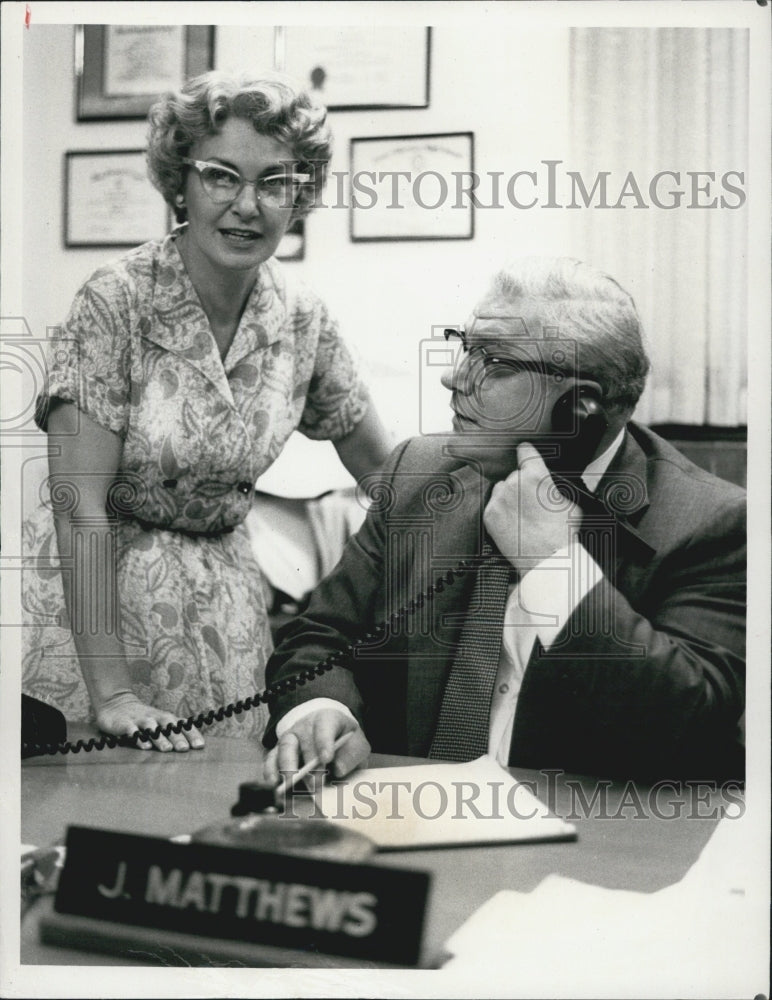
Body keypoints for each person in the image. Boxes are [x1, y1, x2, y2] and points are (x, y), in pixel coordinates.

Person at [262, 257, 746, 783]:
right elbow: (320, 635)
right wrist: (322, 709)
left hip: (584, 827)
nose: (452, 377)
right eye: (464, 347)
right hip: (406, 810)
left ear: (580, 408)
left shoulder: (712, 522)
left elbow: (690, 720)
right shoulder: (417, 474)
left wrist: (553, 567)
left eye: (493, 362)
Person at [22, 71, 392, 751]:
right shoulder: (114, 301)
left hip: (229, 616)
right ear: (180, 183)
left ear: (300, 193)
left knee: (217, 793)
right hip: (103, 625)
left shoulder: (302, 316)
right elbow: (80, 508)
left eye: (274, 182)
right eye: (221, 176)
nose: (247, 205)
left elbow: (385, 474)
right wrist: (115, 694)